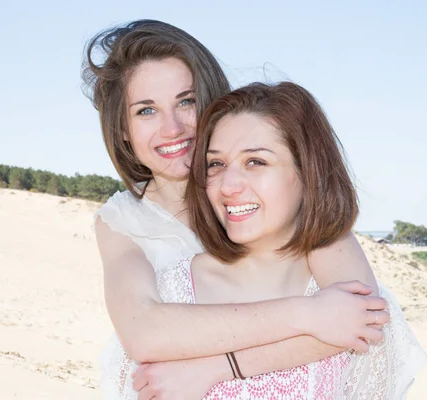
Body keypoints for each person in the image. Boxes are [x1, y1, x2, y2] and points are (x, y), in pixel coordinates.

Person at [83, 20, 392, 399]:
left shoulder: (277, 195)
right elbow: (143, 331)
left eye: (187, 101)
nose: (173, 128)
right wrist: (305, 313)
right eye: (146, 111)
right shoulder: (123, 222)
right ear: (123, 131)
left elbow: (357, 318)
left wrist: (217, 369)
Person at [131, 82, 427, 399]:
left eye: (256, 162)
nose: (227, 186)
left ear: (308, 172)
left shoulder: (354, 299)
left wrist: (213, 369)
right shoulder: (170, 294)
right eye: (216, 164)